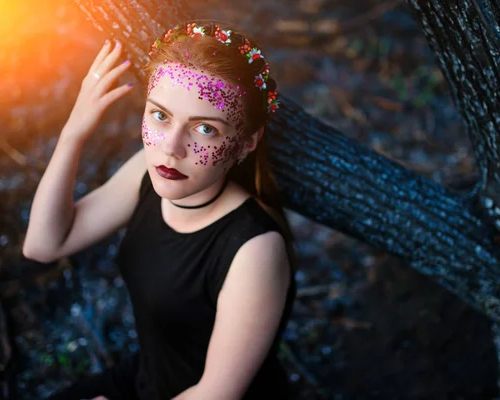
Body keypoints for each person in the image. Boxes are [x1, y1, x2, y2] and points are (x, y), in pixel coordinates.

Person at [23, 20, 297, 400]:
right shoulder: (150, 173)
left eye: (205, 130)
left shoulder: (255, 250)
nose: (171, 147)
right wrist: (74, 132)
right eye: (160, 115)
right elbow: (44, 244)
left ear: (247, 143)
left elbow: (217, 393)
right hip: (145, 380)